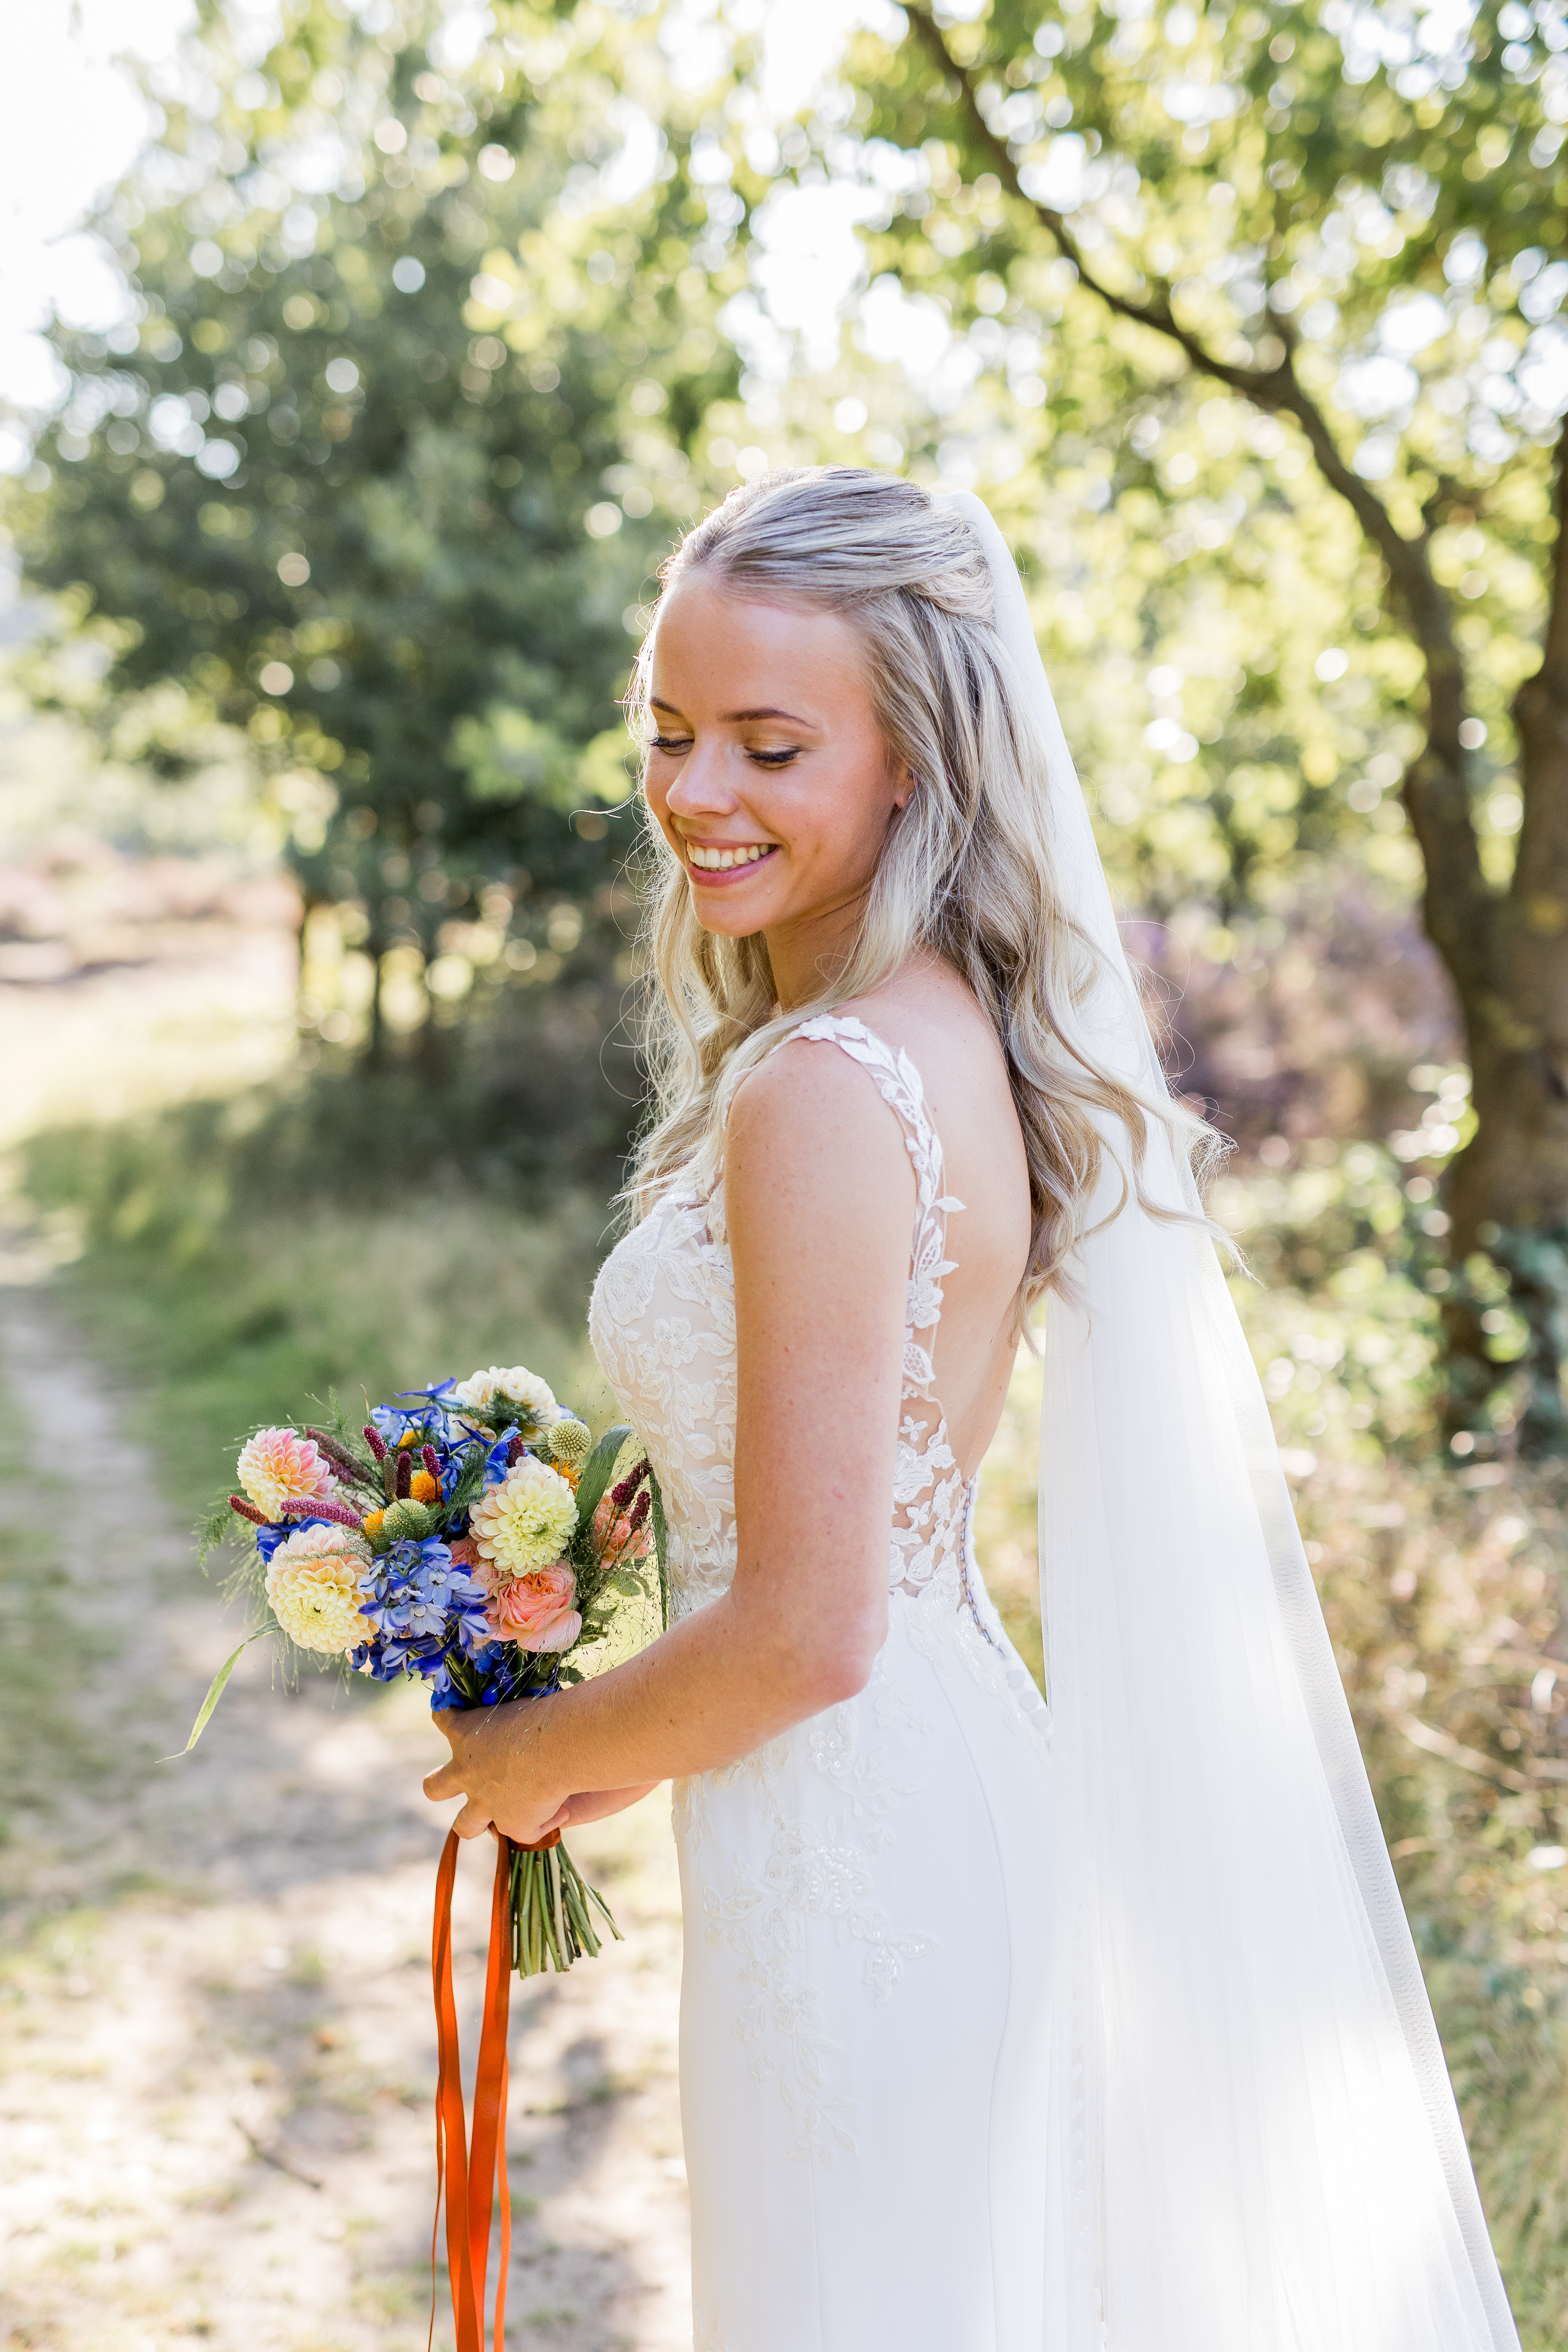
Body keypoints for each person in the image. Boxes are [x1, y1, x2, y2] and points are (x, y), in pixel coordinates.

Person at [424, 469, 1519, 2351]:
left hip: (863, 1871)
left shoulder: (823, 1088)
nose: (696, 793)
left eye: (771, 744)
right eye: (670, 733)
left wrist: (536, 1754)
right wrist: (630, 1726)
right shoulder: (934, 1032)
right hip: (892, 1809)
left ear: (915, 760)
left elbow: (810, 1622)